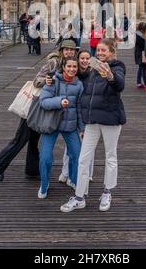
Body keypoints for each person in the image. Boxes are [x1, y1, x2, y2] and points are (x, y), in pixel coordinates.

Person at [0, 39, 77, 182]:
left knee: (34, 138)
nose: (69, 52)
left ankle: (32, 169)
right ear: (61, 51)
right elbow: (37, 80)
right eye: (66, 49)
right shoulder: (54, 62)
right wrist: (48, 81)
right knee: (21, 138)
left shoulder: (69, 64)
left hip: (45, 106)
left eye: (71, 50)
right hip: (35, 105)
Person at [60, 38, 126, 213]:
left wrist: (110, 75)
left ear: (111, 52)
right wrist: (52, 76)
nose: (100, 53)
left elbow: (119, 84)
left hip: (111, 118)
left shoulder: (117, 66)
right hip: (92, 120)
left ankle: (107, 192)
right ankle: (79, 196)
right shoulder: (91, 69)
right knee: (83, 159)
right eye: (98, 50)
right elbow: (71, 71)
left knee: (110, 156)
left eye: (104, 50)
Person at [38, 56, 84, 199]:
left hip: (70, 125)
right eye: (69, 66)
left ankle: (73, 179)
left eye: (74, 67)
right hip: (51, 124)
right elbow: (43, 101)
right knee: (45, 157)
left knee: (76, 154)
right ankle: (44, 184)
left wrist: (82, 128)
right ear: (63, 67)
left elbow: (80, 108)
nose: (71, 69)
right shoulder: (52, 81)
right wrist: (59, 102)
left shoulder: (79, 85)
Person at [58, 50, 95, 188]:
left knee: (89, 144)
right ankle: (65, 172)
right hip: (74, 112)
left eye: (87, 58)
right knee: (71, 144)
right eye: (82, 58)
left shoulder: (94, 73)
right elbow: (59, 78)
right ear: (78, 60)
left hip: (89, 112)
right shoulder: (74, 73)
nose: (84, 61)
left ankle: (88, 172)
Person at [134, 22, 146, 92]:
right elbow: (143, 46)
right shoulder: (140, 36)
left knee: (140, 68)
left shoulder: (137, 34)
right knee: (143, 69)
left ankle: (139, 83)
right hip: (141, 54)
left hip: (138, 53)